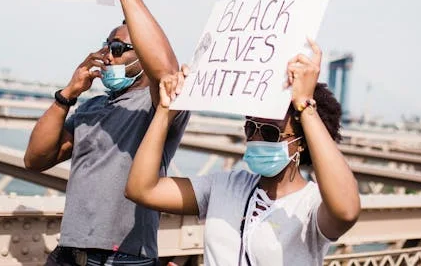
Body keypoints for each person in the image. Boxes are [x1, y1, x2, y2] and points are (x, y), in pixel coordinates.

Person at [24, 0, 190, 266]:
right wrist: (67, 95)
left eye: (118, 48)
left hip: (123, 258)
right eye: (106, 47)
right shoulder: (91, 108)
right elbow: (36, 159)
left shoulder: (156, 105)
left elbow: (166, 69)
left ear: (141, 55)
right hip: (70, 254)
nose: (108, 56)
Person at [125, 39, 361, 265]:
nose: (256, 138)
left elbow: (347, 210)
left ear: (302, 141)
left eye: (270, 133)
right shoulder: (224, 186)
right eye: (251, 127)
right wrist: (165, 111)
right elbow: (142, 189)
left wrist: (305, 107)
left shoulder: (310, 206)